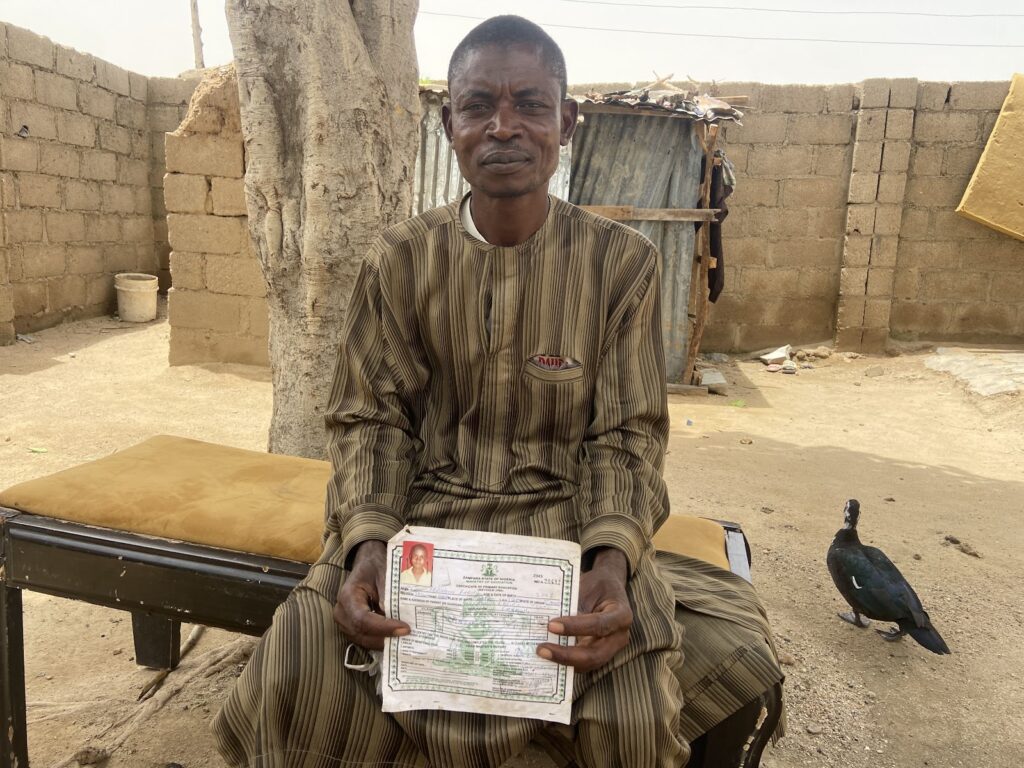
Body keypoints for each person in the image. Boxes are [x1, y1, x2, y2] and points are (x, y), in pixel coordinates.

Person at [214, 15, 781, 768]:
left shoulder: (623, 266)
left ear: (566, 123)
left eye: (531, 105)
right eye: (478, 105)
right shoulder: (402, 260)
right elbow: (370, 421)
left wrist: (609, 565)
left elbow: (628, 434)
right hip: (422, 522)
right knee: (296, 678)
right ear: (450, 124)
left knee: (633, 718)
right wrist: (366, 545)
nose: (503, 127)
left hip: (568, 529)